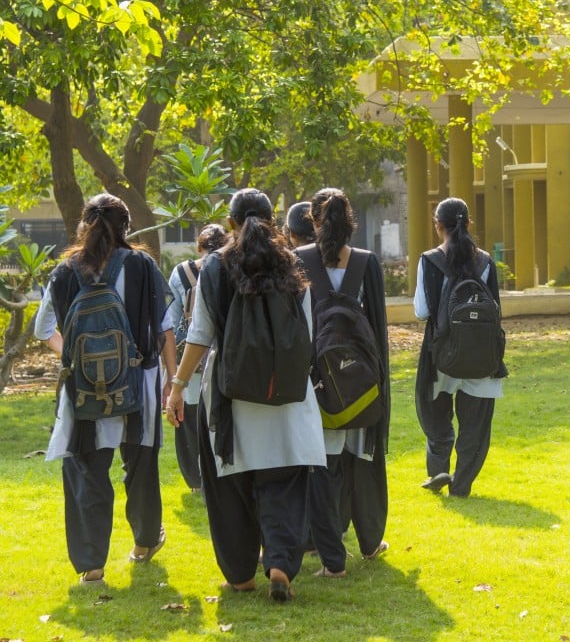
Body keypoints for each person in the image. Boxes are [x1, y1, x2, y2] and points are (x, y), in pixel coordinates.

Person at [165, 188, 326, 602]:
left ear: (231, 223)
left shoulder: (215, 266)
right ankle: (280, 564)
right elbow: (307, 331)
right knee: (284, 484)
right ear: (273, 220)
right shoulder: (292, 263)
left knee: (230, 490)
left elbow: (200, 335)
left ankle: (240, 575)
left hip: (231, 394)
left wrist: (178, 387)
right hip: (286, 395)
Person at [34, 193, 175, 586]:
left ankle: (92, 566)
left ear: (84, 225)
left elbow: (43, 329)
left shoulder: (65, 271)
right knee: (141, 465)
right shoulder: (142, 265)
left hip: (84, 391)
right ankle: (144, 543)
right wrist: (173, 381)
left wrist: (76, 358)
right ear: (126, 226)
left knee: (86, 471)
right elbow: (165, 327)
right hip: (139, 384)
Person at [298, 188, 391, 577]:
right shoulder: (366, 263)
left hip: (317, 381)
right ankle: (369, 540)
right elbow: (378, 330)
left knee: (322, 464)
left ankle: (318, 540)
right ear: (350, 220)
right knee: (362, 459)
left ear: (313, 220)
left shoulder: (300, 261)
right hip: (361, 379)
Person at [414, 197, 508, 497]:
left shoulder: (430, 260)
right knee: (475, 424)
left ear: (438, 226)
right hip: (481, 352)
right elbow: (495, 307)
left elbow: (422, 311)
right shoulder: (485, 261)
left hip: (442, 352)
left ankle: (438, 471)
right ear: (468, 224)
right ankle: (462, 483)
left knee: (436, 417)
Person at [165, 224, 228, 492]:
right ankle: (220, 475)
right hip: (221, 356)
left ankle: (196, 480)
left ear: (198, 246)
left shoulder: (180, 274)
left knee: (189, 421)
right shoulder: (230, 268)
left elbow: (173, 321)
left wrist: (173, 372)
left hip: (190, 360)